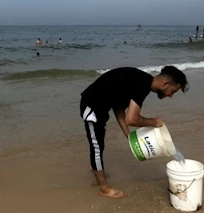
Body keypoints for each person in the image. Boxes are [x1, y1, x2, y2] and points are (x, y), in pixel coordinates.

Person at [80, 66, 189, 199]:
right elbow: (132, 119)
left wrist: (130, 137)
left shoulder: (140, 81)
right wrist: (154, 122)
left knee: (99, 142)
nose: (171, 96)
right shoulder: (142, 85)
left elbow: (119, 109)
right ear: (165, 84)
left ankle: (95, 167)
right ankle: (104, 188)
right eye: (173, 91)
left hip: (102, 107)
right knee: (96, 146)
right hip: (92, 106)